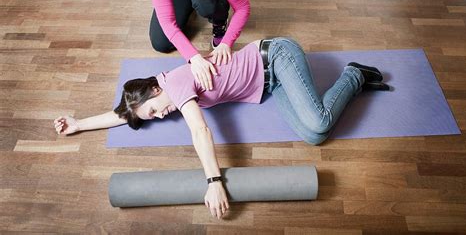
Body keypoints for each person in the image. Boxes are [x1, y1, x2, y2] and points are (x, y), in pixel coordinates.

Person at [54, 37, 389, 219]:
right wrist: (79, 124)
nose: (158, 116)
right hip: (270, 84)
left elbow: (201, 132)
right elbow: (122, 115)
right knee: (316, 135)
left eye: (154, 110)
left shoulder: (178, 83)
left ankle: (354, 74)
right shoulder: (159, 94)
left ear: (155, 89)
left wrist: (214, 182)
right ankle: (354, 80)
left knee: (319, 121)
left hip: (277, 57)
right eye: (152, 117)